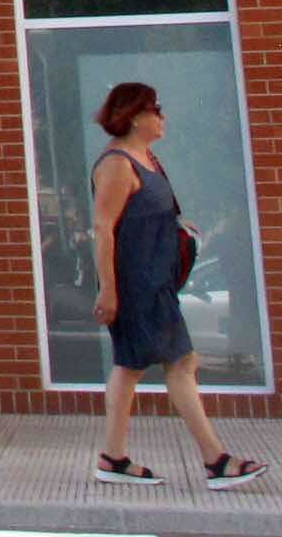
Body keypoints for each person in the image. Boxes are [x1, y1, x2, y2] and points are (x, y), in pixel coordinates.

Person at [88, 81, 271, 490]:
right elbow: (103, 228)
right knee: (174, 364)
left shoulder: (146, 159)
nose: (163, 117)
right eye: (157, 109)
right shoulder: (117, 164)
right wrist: (108, 289)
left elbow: (147, 216)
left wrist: (176, 230)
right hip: (136, 284)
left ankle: (115, 459)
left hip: (156, 282)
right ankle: (214, 461)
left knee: (138, 366)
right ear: (136, 116)